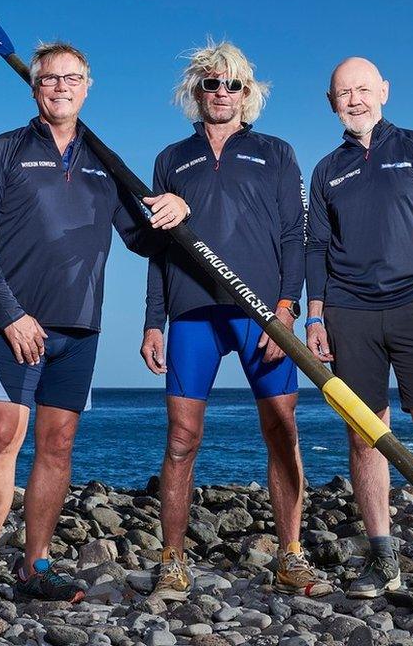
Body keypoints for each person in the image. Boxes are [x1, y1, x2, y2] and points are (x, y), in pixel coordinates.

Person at [0, 42, 190, 616]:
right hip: (16, 326)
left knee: (57, 447)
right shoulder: (4, 150)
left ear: (87, 86)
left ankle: (35, 566)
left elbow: (143, 239)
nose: (60, 86)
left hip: (81, 328)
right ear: (34, 87)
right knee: (3, 437)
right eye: (49, 78)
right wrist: (9, 313)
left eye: (71, 78)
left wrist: (178, 208)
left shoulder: (103, 162)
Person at [139, 39, 328, 602]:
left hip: (261, 314)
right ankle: (172, 561)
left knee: (282, 431)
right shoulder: (172, 159)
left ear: (249, 94)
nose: (222, 93)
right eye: (211, 84)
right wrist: (154, 322)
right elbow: (159, 247)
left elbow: (296, 236)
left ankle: (290, 556)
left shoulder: (275, 152)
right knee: (181, 438)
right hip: (192, 312)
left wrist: (287, 310)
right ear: (195, 92)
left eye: (233, 85)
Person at [304, 57, 413, 624]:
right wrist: (315, 317)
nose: (354, 99)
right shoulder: (326, 169)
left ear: (383, 90)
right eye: (343, 92)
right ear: (331, 101)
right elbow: (314, 247)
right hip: (349, 313)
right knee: (365, 437)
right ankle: (383, 559)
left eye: (363, 89)